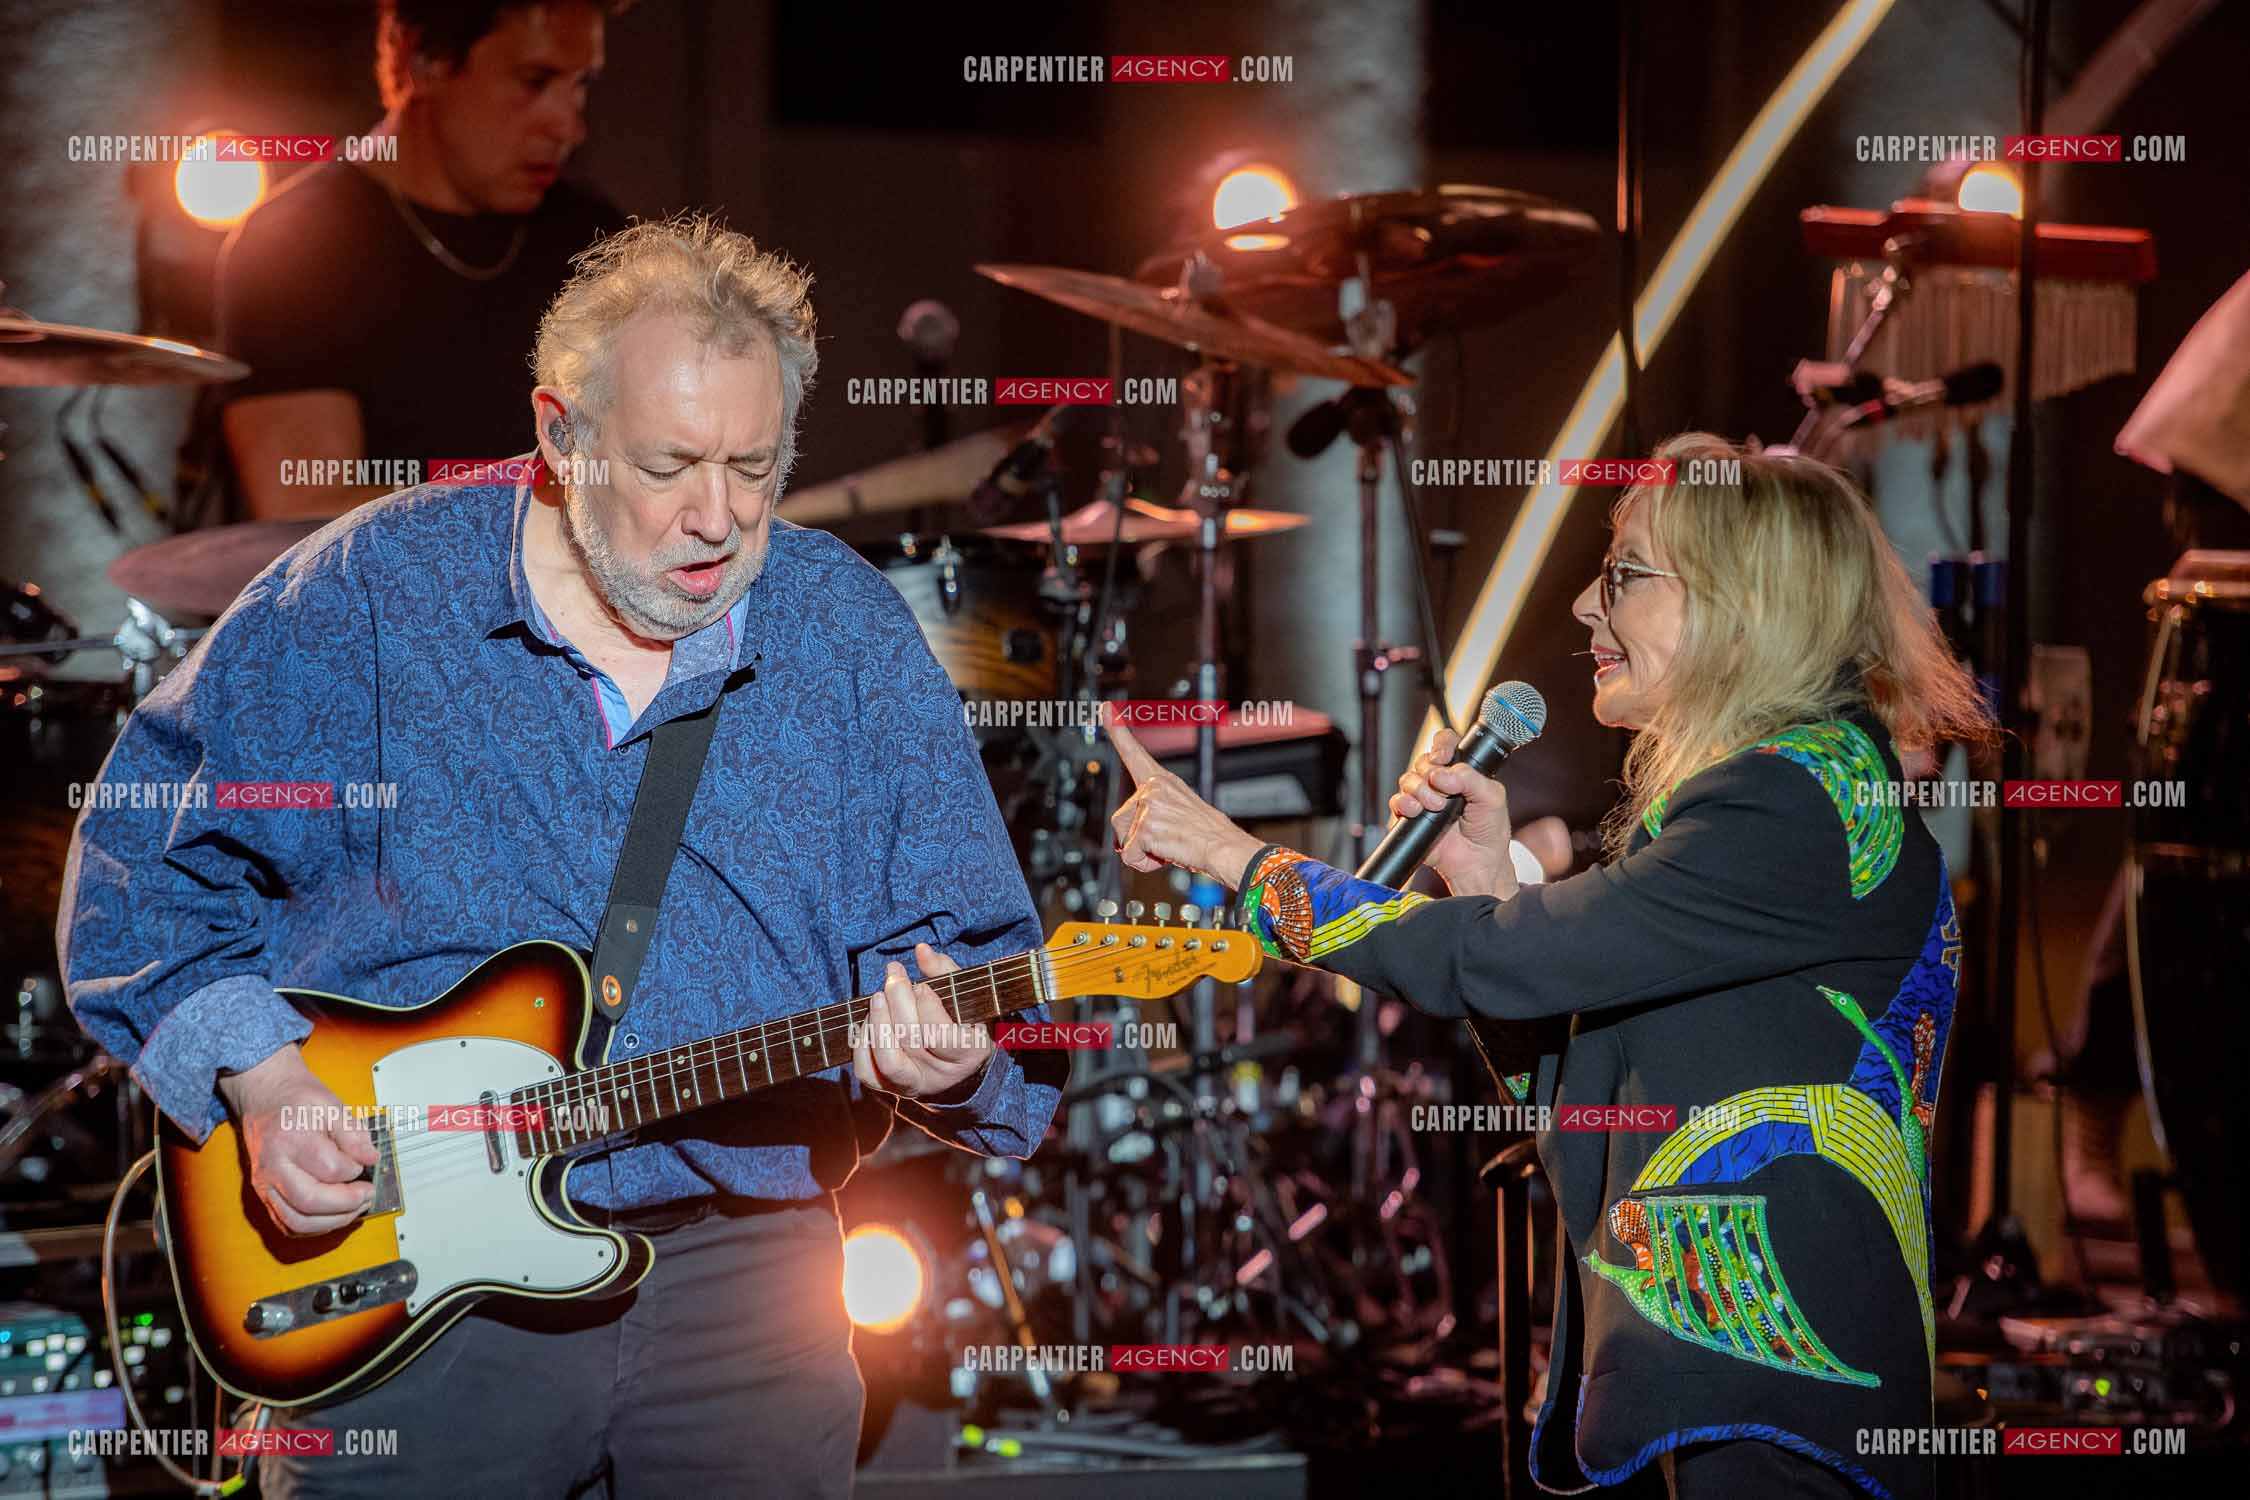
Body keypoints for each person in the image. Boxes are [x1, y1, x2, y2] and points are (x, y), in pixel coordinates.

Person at [62, 214, 1065, 1497]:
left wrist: (954, 1053)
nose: (718, 518)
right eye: (669, 465)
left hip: (751, 1283)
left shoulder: (844, 631)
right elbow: (142, 864)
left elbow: (973, 954)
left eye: (755, 466)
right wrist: (261, 1086)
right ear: (559, 434)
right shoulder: (375, 590)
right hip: (406, 1279)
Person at [1105, 434, 1995, 1500]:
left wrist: (1239, 860)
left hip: (1777, 1382)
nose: (1584, 606)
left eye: (1625, 575)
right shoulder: (1792, 797)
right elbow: (1588, 1094)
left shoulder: (1788, 803)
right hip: (1752, 1378)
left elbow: (1489, 966)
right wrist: (1486, 889)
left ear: (1742, 601)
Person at [212, 0, 631, 521]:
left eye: (581, 85)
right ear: (423, 61)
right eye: (534, 79)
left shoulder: (598, 240)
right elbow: (304, 507)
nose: (569, 127)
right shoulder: (295, 243)